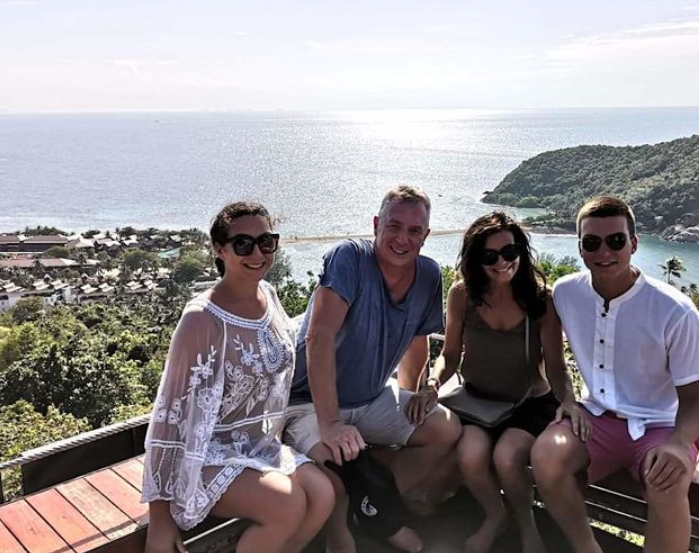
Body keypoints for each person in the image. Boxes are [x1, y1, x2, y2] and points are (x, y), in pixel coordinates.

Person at [142, 202, 334, 553]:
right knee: (287, 503)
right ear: (220, 250)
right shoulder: (202, 318)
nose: (257, 254)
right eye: (243, 244)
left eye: (266, 242)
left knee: (323, 495)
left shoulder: (270, 296)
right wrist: (159, 516)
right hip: (206, 454)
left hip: (258, 447)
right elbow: (169, 416)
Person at [284, 185, 462, 553]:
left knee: (445, 429)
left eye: (414, 231)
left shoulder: (428, 275)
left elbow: (417, 344)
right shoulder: (349, 258)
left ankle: (372, 501)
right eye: (394, 226)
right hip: (307, 402)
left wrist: (415, 396)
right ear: (377, 225)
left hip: (370, 397)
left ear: (426, 235)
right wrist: (331, 423)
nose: (402, 239)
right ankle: (373, 517)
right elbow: (319, 337)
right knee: (338, 460)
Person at [531, 196, 699, 553]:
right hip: (595, 418)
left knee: (666, 483)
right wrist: (567, 399)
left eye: (616, 241)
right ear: (580, 247)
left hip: (659, 427)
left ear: (634, 243)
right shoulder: (565, 293)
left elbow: (696, 399)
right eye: (592, 242)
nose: (604, 252)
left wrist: (679, 444)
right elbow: (555, 361)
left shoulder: (674, 310)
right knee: (545, 455)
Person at [420, 212, 590, 553]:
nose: (502, 262)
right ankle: (496, 517)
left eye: (509, 252)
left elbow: (556, 366)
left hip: (528, 404)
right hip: (478, 402)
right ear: (475, 259)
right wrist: (433, 382)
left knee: (507, 458)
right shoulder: (463, 295)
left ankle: (527, 528)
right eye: (490, 255)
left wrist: (570, 401)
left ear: (521, 252)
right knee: (469, 456)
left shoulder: (541, 300)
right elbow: (450, 355)